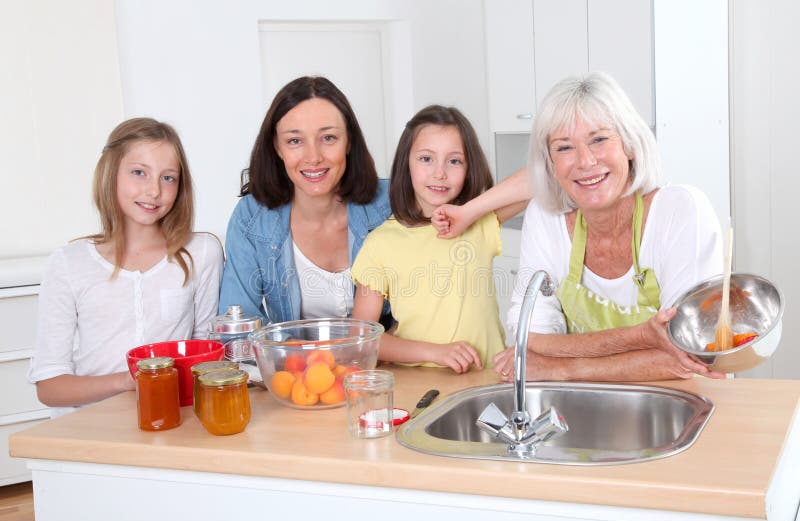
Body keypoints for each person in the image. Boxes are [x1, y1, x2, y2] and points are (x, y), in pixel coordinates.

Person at [434, 72, 725, 382]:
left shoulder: (679, 210)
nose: (585, 161)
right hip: (580, 405)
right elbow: (530, 338)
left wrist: (561, 367)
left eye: (599, 139)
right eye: (564, 148)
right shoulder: (546, 219)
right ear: (550, 164)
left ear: (628, 144)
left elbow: (688, 356)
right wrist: (643, 338)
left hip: (683, 403)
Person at [29, 118, 223, 415]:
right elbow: (50, 387)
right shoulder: (69, 263)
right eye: (138, 173)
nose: (154, 190)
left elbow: (204, 356)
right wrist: (128, 380)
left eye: (168, 177)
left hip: (171, 419)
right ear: (111, 174)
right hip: (89, 426)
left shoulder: (201, 253)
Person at [351, 105, 526, 373]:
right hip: (419, 386)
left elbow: (542, 178)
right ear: (405, 163)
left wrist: (469, 212)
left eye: (454, 161)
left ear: (469, 167)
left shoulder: (479, 223)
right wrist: (436, 353)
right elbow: (361, 340)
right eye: (426, 159)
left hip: (486, 382)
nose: (440, 173)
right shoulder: (381, 243)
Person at [219, 76, 391, 325]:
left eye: (328, 138)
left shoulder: (392, 203)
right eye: (295, 141)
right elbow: (238, 324)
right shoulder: (252, 218)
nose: (313, 157)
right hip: (294, 363)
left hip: (390, 362)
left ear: (349, 141)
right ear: (277, 147)